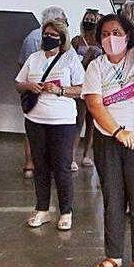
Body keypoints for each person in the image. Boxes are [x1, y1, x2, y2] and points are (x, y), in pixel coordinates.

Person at [84, 13, 134, 267]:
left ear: (128, 35)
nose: (110, 39)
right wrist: (118, 131)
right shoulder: (96, 66)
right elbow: (94, 104)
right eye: (104, 34)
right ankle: (113, 255)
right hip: (109, 140)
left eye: (117, 33)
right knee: (113, 201)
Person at [16, 18, 85, 230]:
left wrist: (60, 91)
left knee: (62, 167)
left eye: (54, 36)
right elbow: (19, 85)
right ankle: (42, 209)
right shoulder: (33, 58)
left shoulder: (70, 60)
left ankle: (66, 211)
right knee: (41, 166)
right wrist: (29, 85)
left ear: (62, 39)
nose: (49, 38)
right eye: (46, 34)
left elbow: (82, 89)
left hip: (62, 121)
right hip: (35, 120)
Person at [19, 6, 69, 179]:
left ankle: (30, 164)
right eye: (63, 20)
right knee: (35, 130)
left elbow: (21, 65)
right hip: (37, 93)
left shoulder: (31, 37)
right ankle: (34, 163)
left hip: (42, 94)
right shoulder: (36, 42)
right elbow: (24, 68)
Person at [72, 9, 104, 167]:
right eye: (87, 19)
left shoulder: (101, 42)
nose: (89, 22)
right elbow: (72, 65)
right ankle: (71, 157)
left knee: (92, 122)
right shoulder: (77, 41)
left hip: (96, 85)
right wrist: (86, 58)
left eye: (93, 19)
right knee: (79, 120)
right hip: (81, 85)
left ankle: (86, 155)